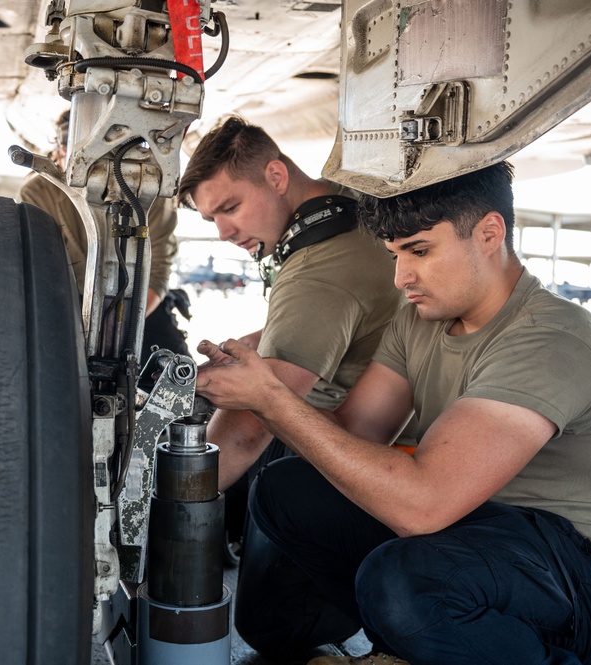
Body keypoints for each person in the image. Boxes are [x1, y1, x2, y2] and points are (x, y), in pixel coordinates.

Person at [195, 161, 591, 664]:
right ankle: (398, 642)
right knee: (287, 489)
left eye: (419, 251)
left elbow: (423, 507)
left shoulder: (551, 340)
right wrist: (258, 388)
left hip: (590, 573)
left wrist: (271, 399)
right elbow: (354, 433)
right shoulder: (419, 322)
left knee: (403, 580)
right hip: (477, 533)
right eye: (395, 254)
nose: (400, 277)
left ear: (488, 233)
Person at [178, 115, 407, 657]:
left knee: (274, 629)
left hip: (349, 457)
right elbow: (335, 321)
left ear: (277, 176)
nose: (224, 232)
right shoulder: (346, 201)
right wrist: (257, 343)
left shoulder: (318, 272)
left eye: (230, 208)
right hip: (368, 433)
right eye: (212, 217)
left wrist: (167, 507)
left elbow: (250, 427)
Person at [18, 110, 189, 367]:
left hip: (140, 306)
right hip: (69, 308)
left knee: (174, 375)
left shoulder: (152, 191)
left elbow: (158, 271)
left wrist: (125, 327)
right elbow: (38, 272)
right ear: (62, 153)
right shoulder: (39, 191)